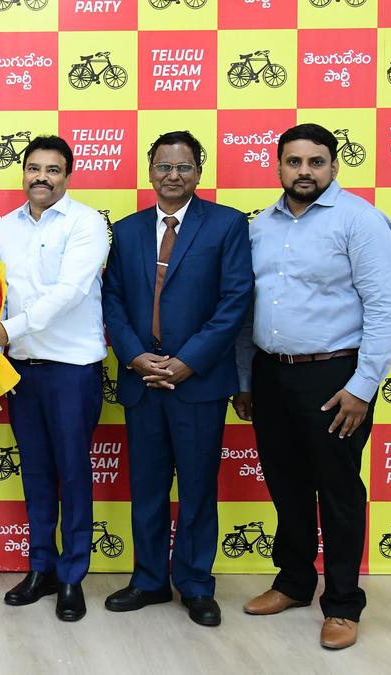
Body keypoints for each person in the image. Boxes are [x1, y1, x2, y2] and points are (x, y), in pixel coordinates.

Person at [233, 123, 391, 650]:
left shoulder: (360, 221)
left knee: (339, 489)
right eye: (295, 162)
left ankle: (344, 603)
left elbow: (384, 308)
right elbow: (246, 309)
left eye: (316, 162)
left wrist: (363, 386)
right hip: (270, 372)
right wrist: (244, 379)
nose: (305, 171)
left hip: (335, 376)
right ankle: (295, 582)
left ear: (333, 165)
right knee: (286, 484)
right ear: (278, 165)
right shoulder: (260, 226)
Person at [100, 130, 253, 628]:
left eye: (183, 167)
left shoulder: (227, 225)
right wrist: (134, 355)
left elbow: (235, 302)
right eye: (164, 166)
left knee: (196, 489)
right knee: (145, 488)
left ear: (198, 172)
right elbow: (114, 301)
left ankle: (194, 584)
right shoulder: (125, 231)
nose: (173, 176)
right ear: (150, 171)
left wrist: (189, 361)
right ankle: (148, 580)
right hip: (142, 380)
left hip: (198, 383)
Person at [0, 135, 109, 622]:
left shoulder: (87, 223)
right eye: (33, 168)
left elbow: (70, 292)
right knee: (35, 474)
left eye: (52, 170)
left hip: (71, 369)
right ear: (24, 174)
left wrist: (5, 332)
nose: (41, 177)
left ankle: (73, 576)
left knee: (74, 473)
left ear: (68, 175)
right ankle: (42, 567)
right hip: (22, 370)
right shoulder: (5, 228)